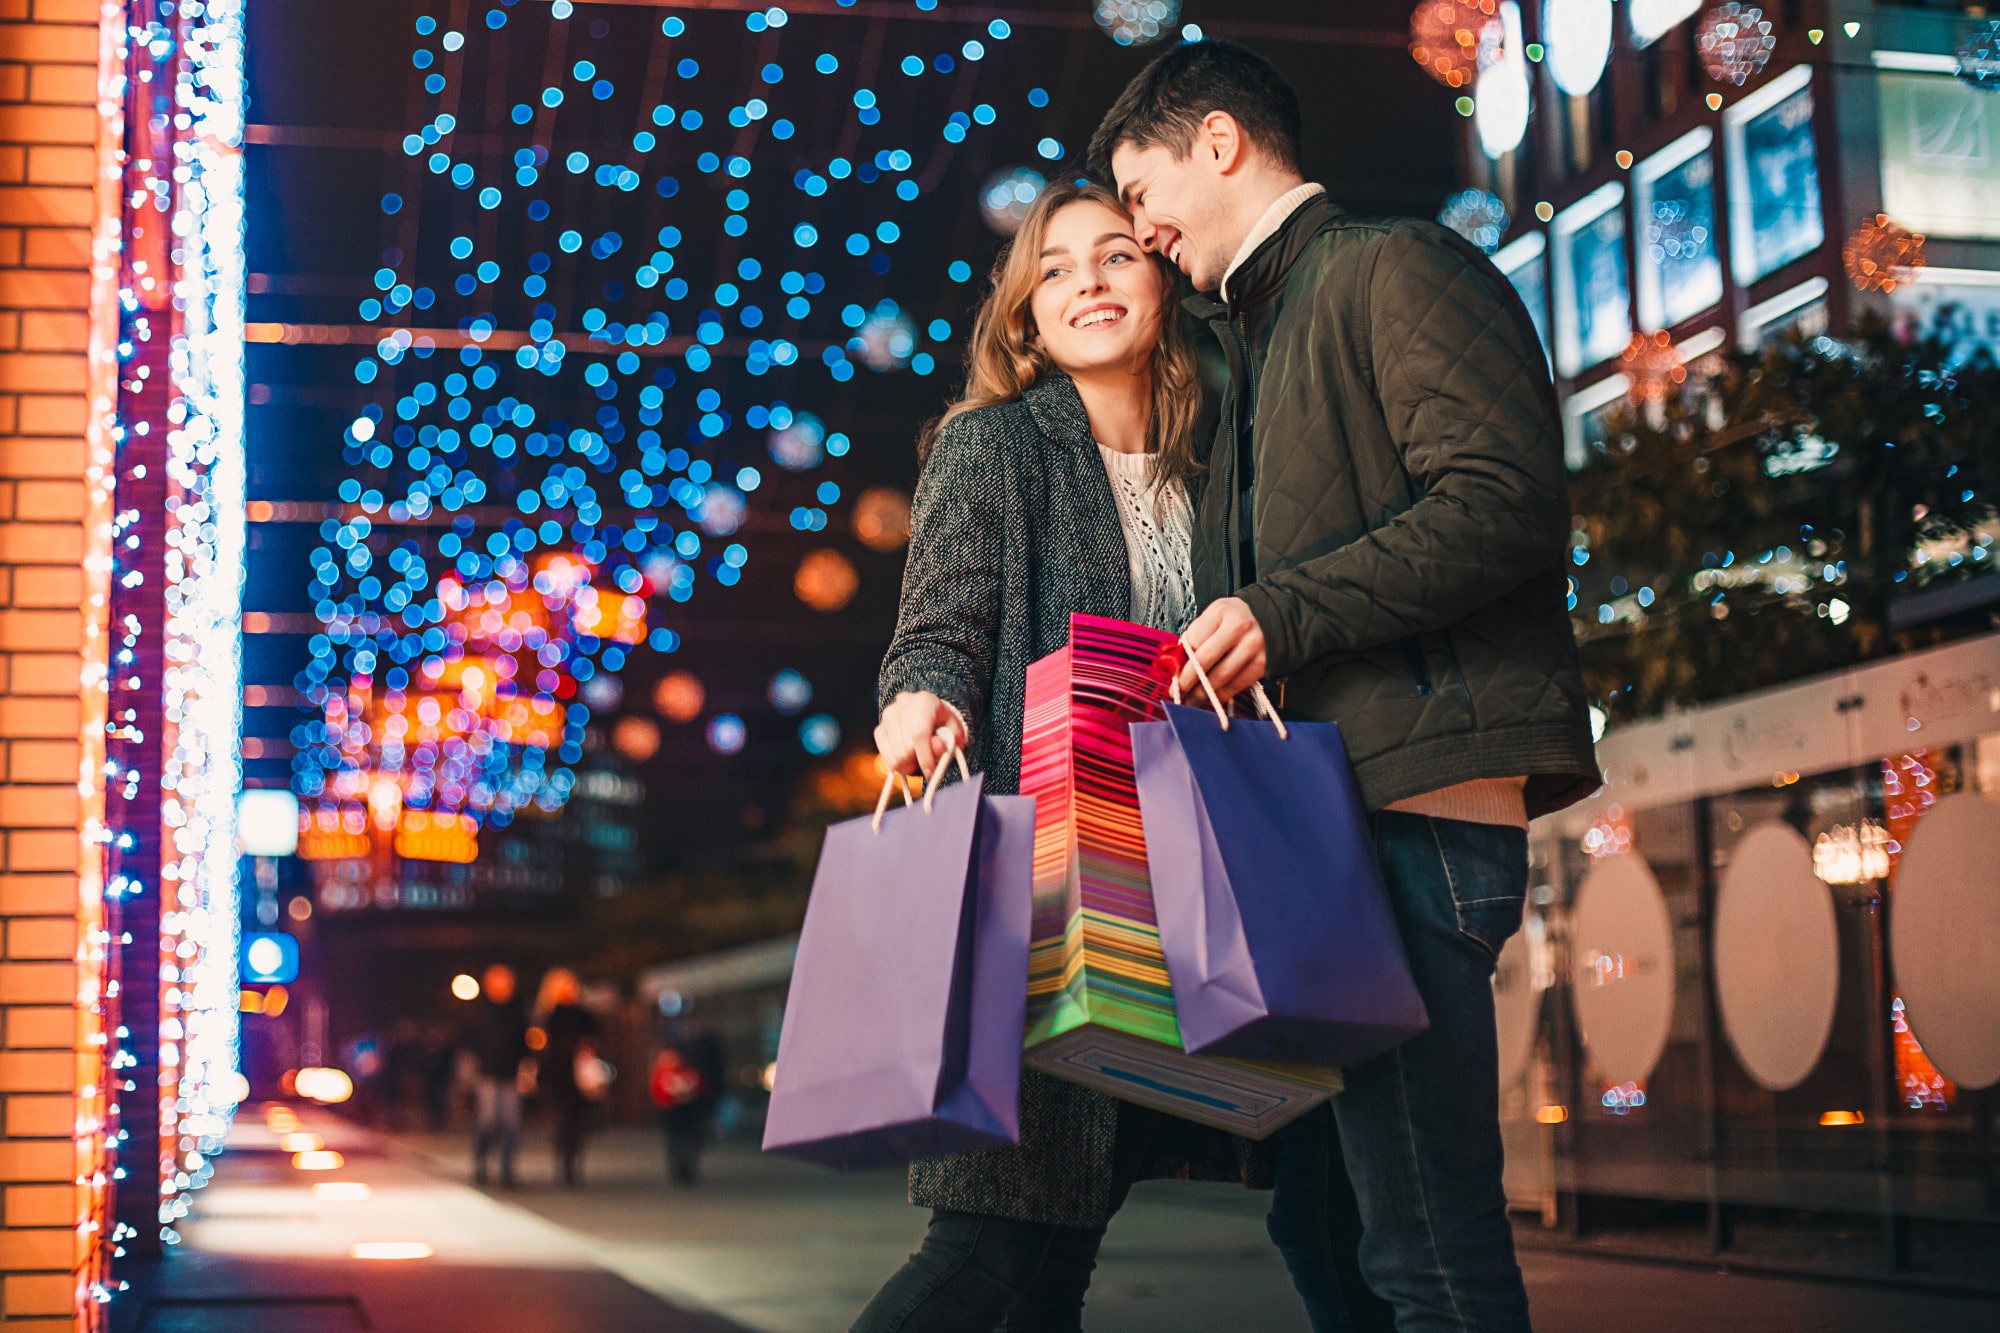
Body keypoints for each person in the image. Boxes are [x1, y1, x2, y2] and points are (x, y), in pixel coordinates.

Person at [1091, 39, 1601, 1333]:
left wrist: (1276, 611)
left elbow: (1503, 506)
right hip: (1328, 825)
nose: (1139, 228)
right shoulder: (1246, 339)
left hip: (1415, 807)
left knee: (1428, 1253)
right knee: (1323, 1223)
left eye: (1142, 188)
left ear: (1219, 141)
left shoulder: (1394, 269)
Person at [859, 181, 1258, 1332]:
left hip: (1183, 888)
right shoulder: (994, 446)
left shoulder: (1219, 457)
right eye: (1055, 268)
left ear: (1162, 281)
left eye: (1116, 253)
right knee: (987, 1241)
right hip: (1046, 891)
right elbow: (936, 629)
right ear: (1024, 318)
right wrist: (917, 704)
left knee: (1058, 1253)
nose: (1086, 279)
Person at [535, 967, 603, 1188]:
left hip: (580, 1076)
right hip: (558, 1075)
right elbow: (541, 1047)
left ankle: (574, 1164)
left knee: (579, 1122)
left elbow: (596, 1039)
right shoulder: (548, 1015)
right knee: (562, 1120)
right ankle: (564, 1163)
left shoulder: (585, 1014)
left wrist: (587, 1049)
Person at [462, 962, 529, 1188]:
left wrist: (526, 1066)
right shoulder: (480, 1009)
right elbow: (468, 1039)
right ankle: (480, 1163)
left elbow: (524, 1040)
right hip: (487, 1074)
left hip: (511, 1074)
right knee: (487, 1122)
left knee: (511, 1124)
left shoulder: (517, 1008)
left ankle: (507, 1170)